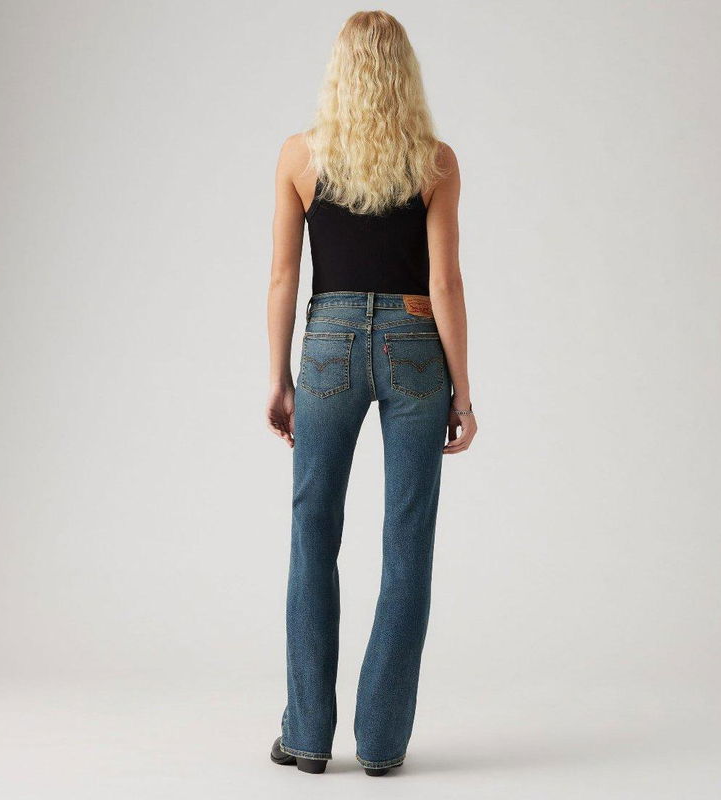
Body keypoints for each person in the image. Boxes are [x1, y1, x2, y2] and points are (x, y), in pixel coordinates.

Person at [265, 10, 477, 777]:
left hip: (328, 343)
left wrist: (278, 378)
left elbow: (284, 276)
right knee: (407, 538)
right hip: (417, 344)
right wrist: (462, 394)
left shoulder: (300, 155)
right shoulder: (436, 162)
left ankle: (307, 736)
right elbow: (444, 283)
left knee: (312, 530)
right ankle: (383, 743)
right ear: (404, 74)